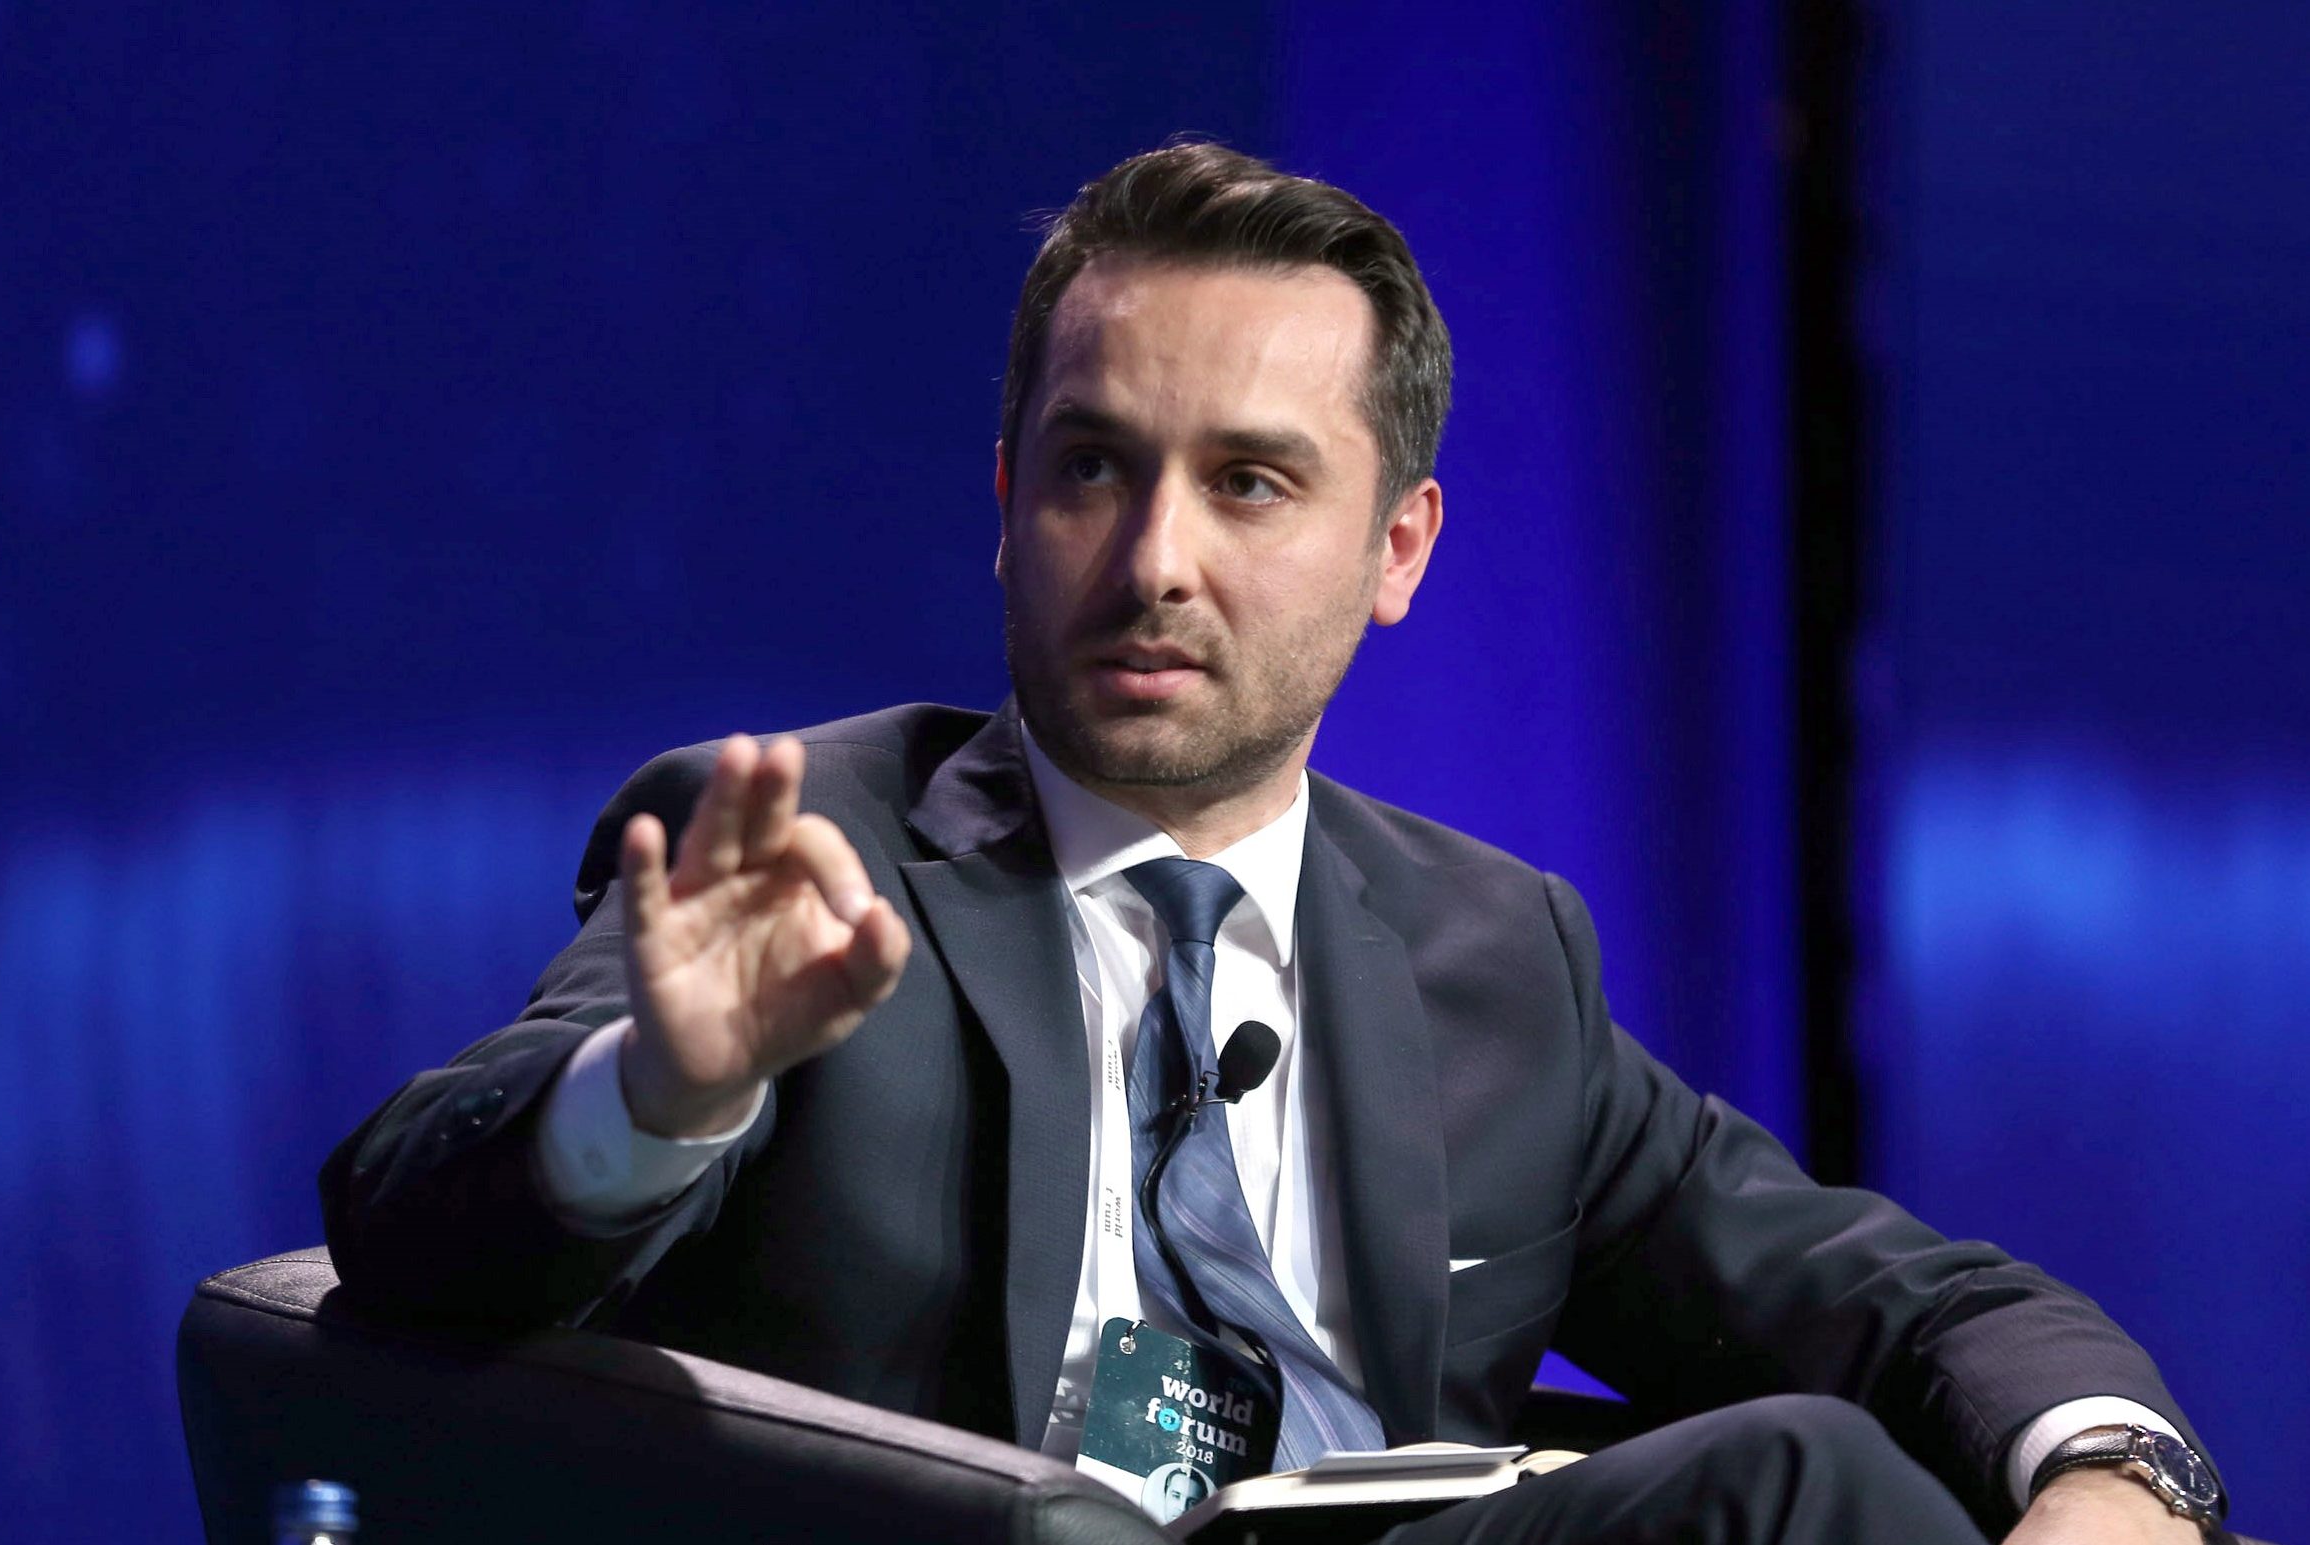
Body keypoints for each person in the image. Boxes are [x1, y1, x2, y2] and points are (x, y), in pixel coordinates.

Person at [323, 144, 2228, 1543]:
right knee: (1795, 1486)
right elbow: (403, 1228)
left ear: (1398, 549)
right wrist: (661, 1091)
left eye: (1248, 482)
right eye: (1093, 467)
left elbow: (1895, 1298)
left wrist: (2108, 1466)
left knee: (1818, 1477)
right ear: (1008, 501)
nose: (1155, 558)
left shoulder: (1495, 955)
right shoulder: (797, 859)